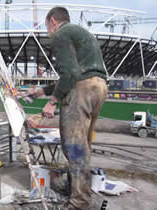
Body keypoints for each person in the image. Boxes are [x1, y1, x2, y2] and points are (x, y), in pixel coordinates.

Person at [24, 6, 108, 210]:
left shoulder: (61, 34)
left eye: (47, 27)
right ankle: (77, 190)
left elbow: (69, 73)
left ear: (53, 21)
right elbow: (75, 75)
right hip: (99, 87)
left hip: (82, 90)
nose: (48, 32)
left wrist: (52, 102)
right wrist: (42, 92)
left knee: (74, 147)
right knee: (83, 145)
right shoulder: (80, 33)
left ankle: (79, 202)